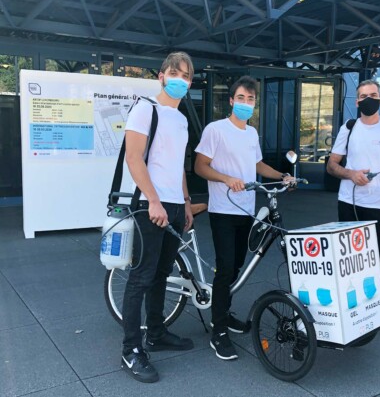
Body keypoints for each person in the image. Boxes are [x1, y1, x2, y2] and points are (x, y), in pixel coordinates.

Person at [194, 75, 294, 360]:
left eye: (251, 99)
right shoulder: (216, 130)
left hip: (246, 210)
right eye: (241, 98)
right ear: (231, 100)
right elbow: (200, 166)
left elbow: (257, 164)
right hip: (223, 210)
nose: (246, 103)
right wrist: (226, 179)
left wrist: (283, 176)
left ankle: (223, 313)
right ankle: (218, 332)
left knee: (236, 266)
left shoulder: (251, 133)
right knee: (226, 268)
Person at [121, 51, 195, 383]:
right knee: (142, 276)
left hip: (175, 206)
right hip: (151, 205)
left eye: (186, 76)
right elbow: (134, 158)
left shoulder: (181, 119)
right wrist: (153, 200)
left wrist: (186, 203)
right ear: (161, 76)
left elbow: (177, 166)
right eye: (175, 73)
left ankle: (156, 332)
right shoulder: (145, 109)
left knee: (162, 273)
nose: (181, 80)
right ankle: (131, 350)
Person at [326, 79, 380, 345]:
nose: (368, 99)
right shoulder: (348, 128)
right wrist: (350, 174)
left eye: (373, 95)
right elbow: (332, 165)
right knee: (349, 265)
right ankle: (355, 318)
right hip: (348, 205)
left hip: (379, 208)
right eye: (363, 96)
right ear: (357, 101)